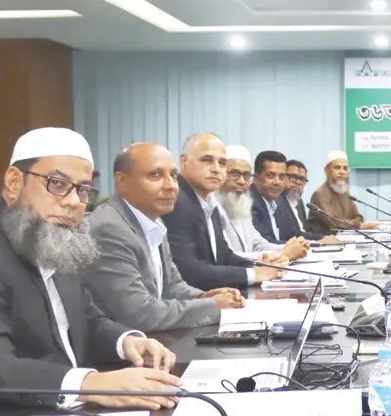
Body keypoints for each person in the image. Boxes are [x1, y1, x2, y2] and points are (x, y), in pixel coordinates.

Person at [0, 128, 179, 416]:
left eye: (83, 189)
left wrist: (127, 341)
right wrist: (91, 384)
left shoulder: (52, 237)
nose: (74, 201)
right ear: (14, 182)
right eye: (58, 184)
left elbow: (86, 319)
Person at [84, 142, 245, 332]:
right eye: (155, 175)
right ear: (122, 182)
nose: (171, 186)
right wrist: (213, 307)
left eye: (173, 175)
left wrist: (205, 297)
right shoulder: (110, 228)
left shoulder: (154, 220)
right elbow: (140, 314)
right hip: (124, 346)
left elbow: (173, 286)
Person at [164, 132, 283, 290]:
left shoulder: (208, 203)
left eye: (222, 163)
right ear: (184, 161)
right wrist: (254, 274)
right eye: (207, 160)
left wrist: (263, 266)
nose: (216, 169)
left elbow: (224, 256)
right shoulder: (176, 201)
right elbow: (189, 271)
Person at [217, 146, 306, 260]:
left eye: (246, 175)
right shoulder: (212, 208)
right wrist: (283, 253)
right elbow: (226, 257)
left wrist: (295, 248)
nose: (241, 181)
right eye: (234, 174)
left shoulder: (241, 204)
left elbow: (258, 245)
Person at [249, 149, 328, 249]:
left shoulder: (280, 201)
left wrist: (324, 239)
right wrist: (313, 244)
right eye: (270, 175)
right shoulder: (249, 203)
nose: (277, 182)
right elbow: (266, 243)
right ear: (256, 178)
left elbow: (294, 234)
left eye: (282, 176)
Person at [308, 150, 377, 235]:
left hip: (346, 238)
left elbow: (358, 217)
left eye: (345, 168)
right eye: (337, 167)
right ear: (326, 170)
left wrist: (354, 224)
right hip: (324, 240)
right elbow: (335, 223)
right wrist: (358, 226)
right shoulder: (320, 194)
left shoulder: (344, 192)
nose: (342, 172)